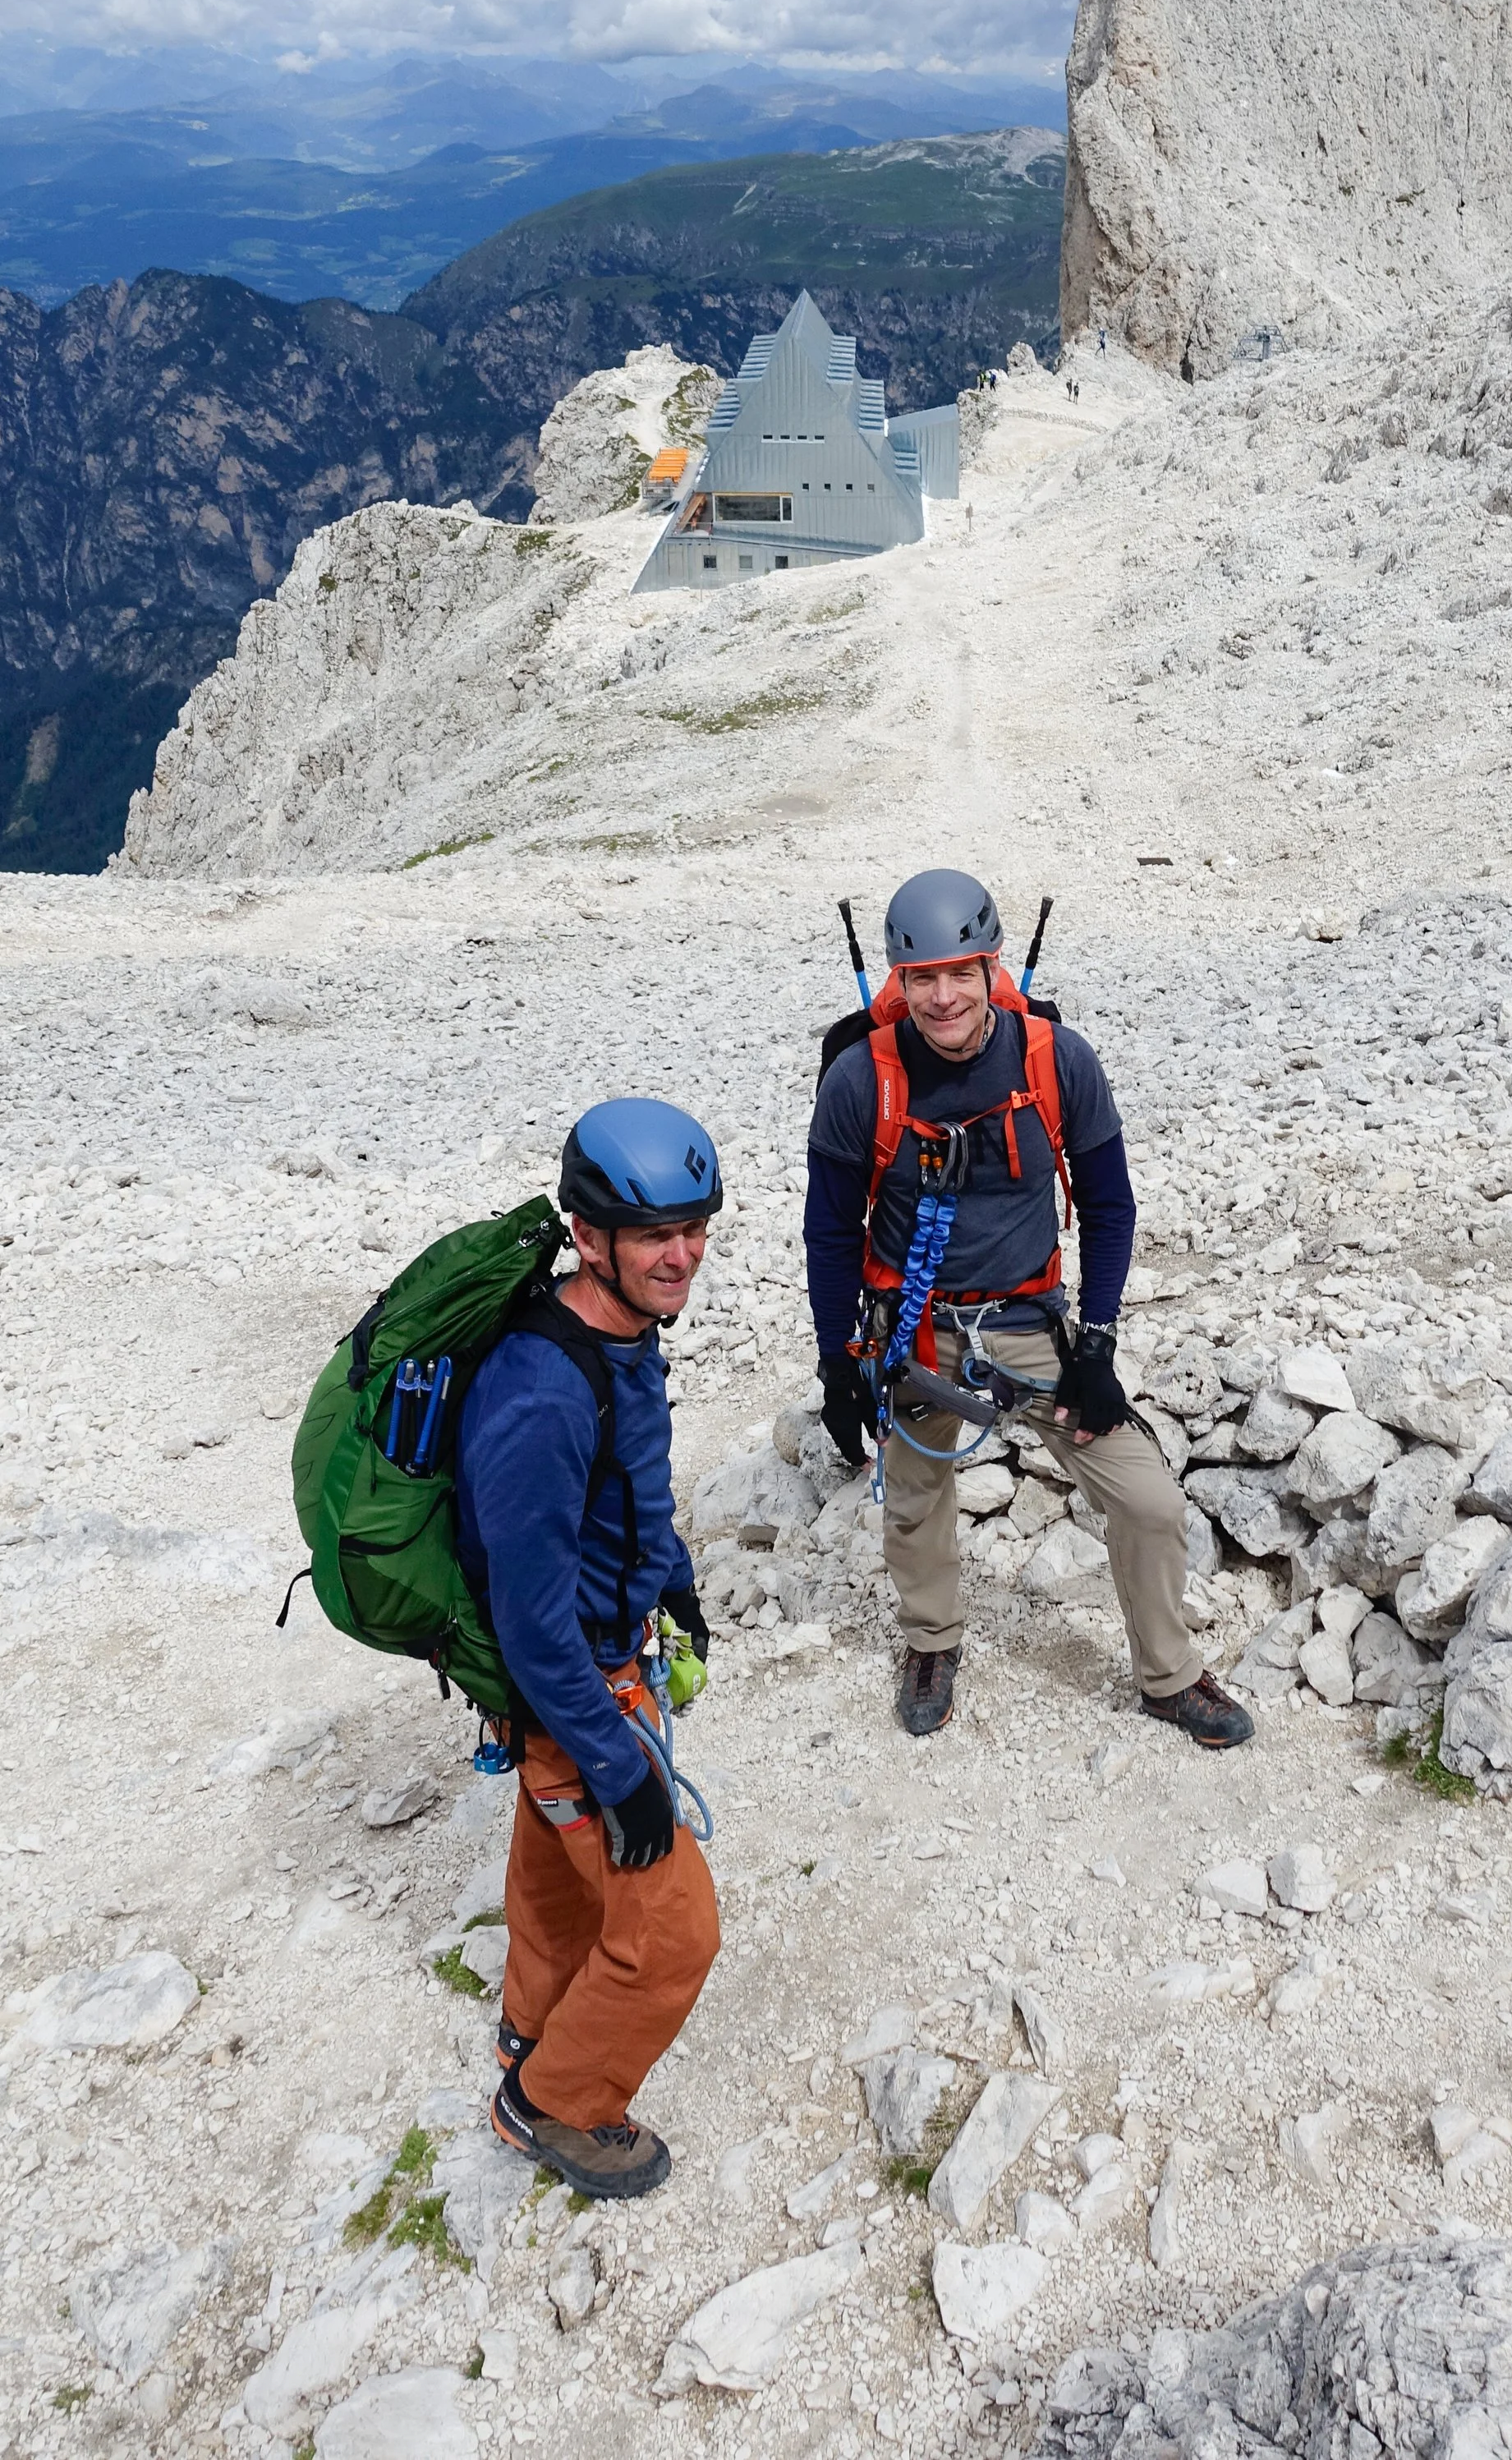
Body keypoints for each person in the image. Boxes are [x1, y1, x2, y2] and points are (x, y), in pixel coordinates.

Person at [804, 869, 1252, 1749]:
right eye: (921, 978)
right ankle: (931, 1641)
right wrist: (836, 1361)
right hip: (918, 1334)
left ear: (990, 967)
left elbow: (1110, 1205)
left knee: (1149, 1501)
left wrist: (1100, 1340)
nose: (941, 998)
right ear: (898, 981)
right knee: (916, 1498)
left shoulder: (1057, 1060)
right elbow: (827, 1233)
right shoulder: (863, 1081)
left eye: (959, 973)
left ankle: (1167, 1674)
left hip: (1031, 1328)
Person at [458, 1099, 723, 2199]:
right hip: (576, 1698)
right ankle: (554, 2104)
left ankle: (531, 2027)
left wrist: (677, 1592)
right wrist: (622, 1770)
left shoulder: (620, 1335)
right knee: (673, 1933)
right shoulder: (541, 1392)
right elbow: (530, 1624)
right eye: (655, 1234)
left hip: (600, 1676)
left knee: (559, 1882)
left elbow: (636, 1492)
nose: (684, 1254)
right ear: (588, 1235)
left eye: (697, 1226)